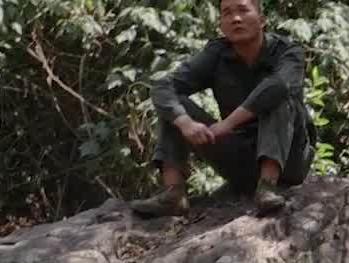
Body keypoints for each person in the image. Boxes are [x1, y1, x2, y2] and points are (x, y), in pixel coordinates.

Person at [130, 0, 313, 217]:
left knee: (277, 96)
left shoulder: (287, 51)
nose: (236, 18)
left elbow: (278, 87)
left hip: (289, 163)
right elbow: (164, 86)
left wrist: (227, 124)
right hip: (240, 161)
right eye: (227, 13)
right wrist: (185, 122)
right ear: (221, 26)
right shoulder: (216, 53)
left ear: (262, 20)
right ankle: (173, 194)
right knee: (174, 106)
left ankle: (267, 186)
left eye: (243, 10)